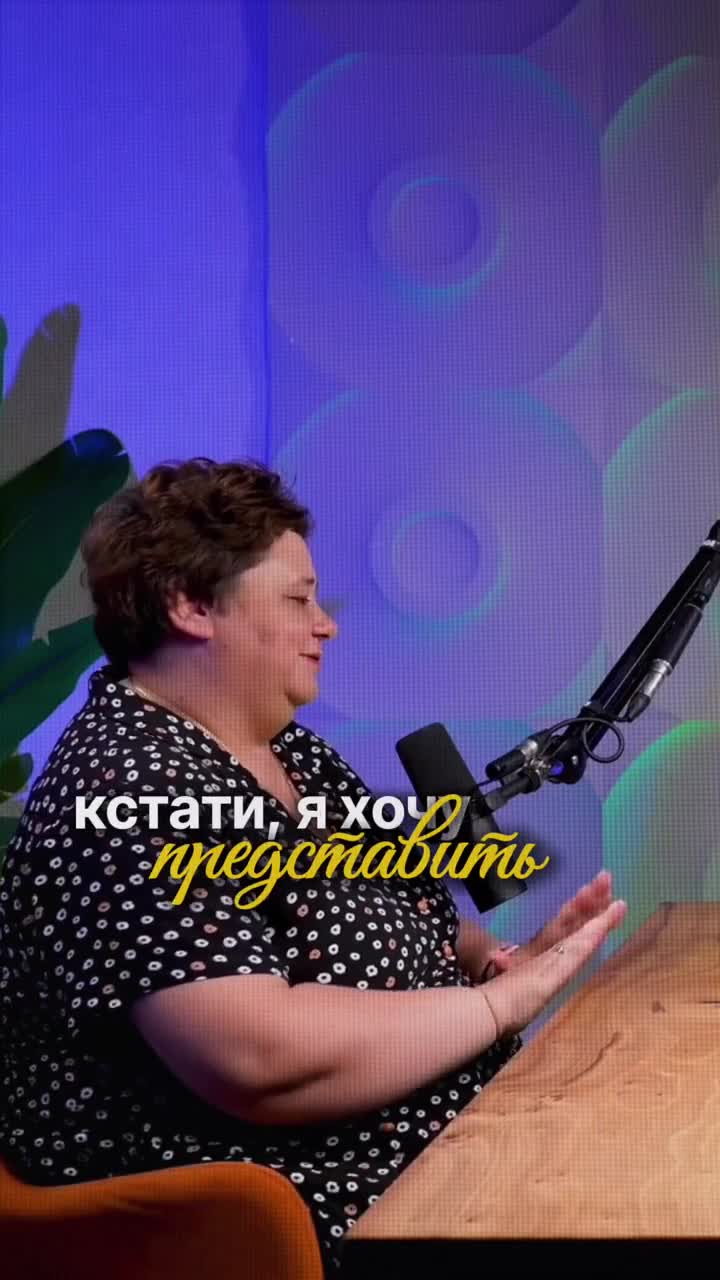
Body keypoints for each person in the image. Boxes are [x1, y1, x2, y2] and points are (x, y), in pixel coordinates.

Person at [0, 458, 626, 1277]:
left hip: (454, 1153)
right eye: (297, 600)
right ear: (191, 606)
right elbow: (256, 1059)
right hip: (284, 1213)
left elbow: (398, 916)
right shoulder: (127, 788)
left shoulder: (287, 750)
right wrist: (497, 1006)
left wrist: (493, 958)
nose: (324, 625)